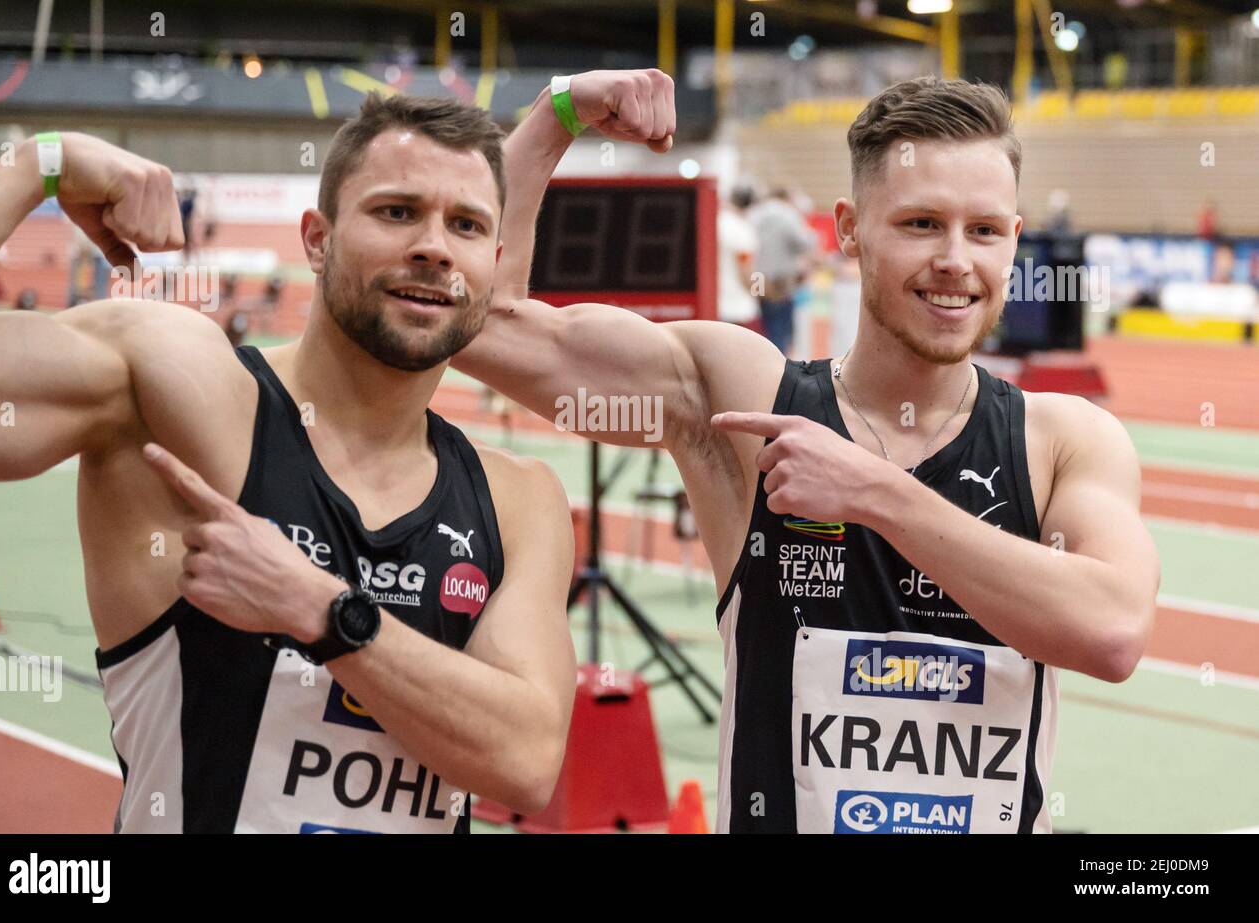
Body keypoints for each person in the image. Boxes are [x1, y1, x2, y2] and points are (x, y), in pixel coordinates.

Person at [0, 69, 674, 833]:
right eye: (397, 212)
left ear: (494, 264)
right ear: (317, 239)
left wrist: (320, 610)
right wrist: (37, 162)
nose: (434, 247)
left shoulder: (517, 501)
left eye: (465, 226)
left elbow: (525, 761)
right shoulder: (188, 394)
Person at [458, 75, 1160, 833]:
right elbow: (484, 323)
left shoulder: (1060, 439)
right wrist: (556, 113)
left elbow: (1115, 631)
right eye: (921, 223)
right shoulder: (746, 397)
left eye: (984, 231)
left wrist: (877, 494)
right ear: (850, 229)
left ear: (1015, 239)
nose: (956, 259)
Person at [746, 187, 818, 353]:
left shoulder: (754, 214)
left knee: (760, 324)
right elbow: (804, 243)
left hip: (756, 276)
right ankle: (777, 369)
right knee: (780, 326)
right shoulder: (788, 214)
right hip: (780, 278)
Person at [717, 185, 759, 329]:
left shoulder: (715, 221)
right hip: (737, 308)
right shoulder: (743, 229)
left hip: (714, 306)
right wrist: (759, 292)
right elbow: (748, 269)